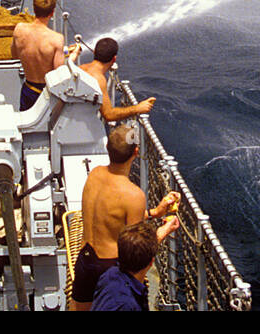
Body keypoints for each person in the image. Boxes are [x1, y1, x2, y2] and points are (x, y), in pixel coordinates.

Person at [70, 125, 179, 311]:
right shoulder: (133, 195)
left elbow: (112, 213)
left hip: (85, 260)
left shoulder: (94, 174)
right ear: (136, 152)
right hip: (110, 268)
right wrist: (164, 230)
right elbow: (138, 250)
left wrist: (154, 212)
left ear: (108, 148)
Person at [90, 218, 178, 312]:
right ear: (151, 262)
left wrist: (164, 231)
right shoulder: (127, 305)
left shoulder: (109, 275)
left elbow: (139, 248)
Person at [11, 0, 75, 110]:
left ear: (34, 9)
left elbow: (14, 55)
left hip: (28, 89)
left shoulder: (19, 29)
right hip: (45, 94)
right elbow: (59, 74)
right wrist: (73, 56)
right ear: (52, 13)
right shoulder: (56, 39)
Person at [78, 37, 155, 122]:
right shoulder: (99, 80)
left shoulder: (80, 68)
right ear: (114, 59)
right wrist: (137, 108)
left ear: (95, 52)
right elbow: (109, 115)